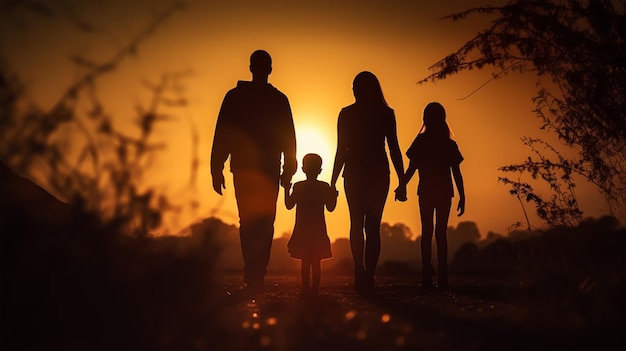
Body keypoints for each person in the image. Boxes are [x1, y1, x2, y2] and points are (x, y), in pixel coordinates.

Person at [210, 50, 297, 296]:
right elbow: (224, 133)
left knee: (256, 223)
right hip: (252, 169)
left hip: (260, 169)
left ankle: (255, 273)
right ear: (261, 68)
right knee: (255, 222)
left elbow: (287, 137)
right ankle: (254, 273)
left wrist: (289, 168)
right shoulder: (243, 97)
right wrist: (216, 167)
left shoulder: (264, 99)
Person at [330, 71, 405, 295]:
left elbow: (341, 150)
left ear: (362, 89)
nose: (353, 90)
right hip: (376, 173)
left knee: (359, 224)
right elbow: (393, 149)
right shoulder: (385, 113)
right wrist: (401, 180)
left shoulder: (347, 114)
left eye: (356, 86)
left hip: (356, 173)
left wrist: (333, 180)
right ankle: (366, 273)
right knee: (372, 226)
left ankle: (361, 270)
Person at [398, 102, 465, 289]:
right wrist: (462, 195)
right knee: (440, 233)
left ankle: (427, 275)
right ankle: (442, 277)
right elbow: (456, 173)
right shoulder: (449, 144)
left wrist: (402, 185)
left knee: (427, 232)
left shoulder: (421, 142)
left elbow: (412, 168)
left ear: (425, 118)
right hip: (444, 191)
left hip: (426, 191)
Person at [284, 153, 338, 296]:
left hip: (302, 229)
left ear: (303, 168)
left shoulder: (298, 186)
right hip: (318, 230)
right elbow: (331, 208)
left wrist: (285, 189)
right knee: (316, 263)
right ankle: (314, 289)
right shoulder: (324, 187)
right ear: (320, 170)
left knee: (305, 262)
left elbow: (289, 205)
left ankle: (306, 289)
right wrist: (334, 195)